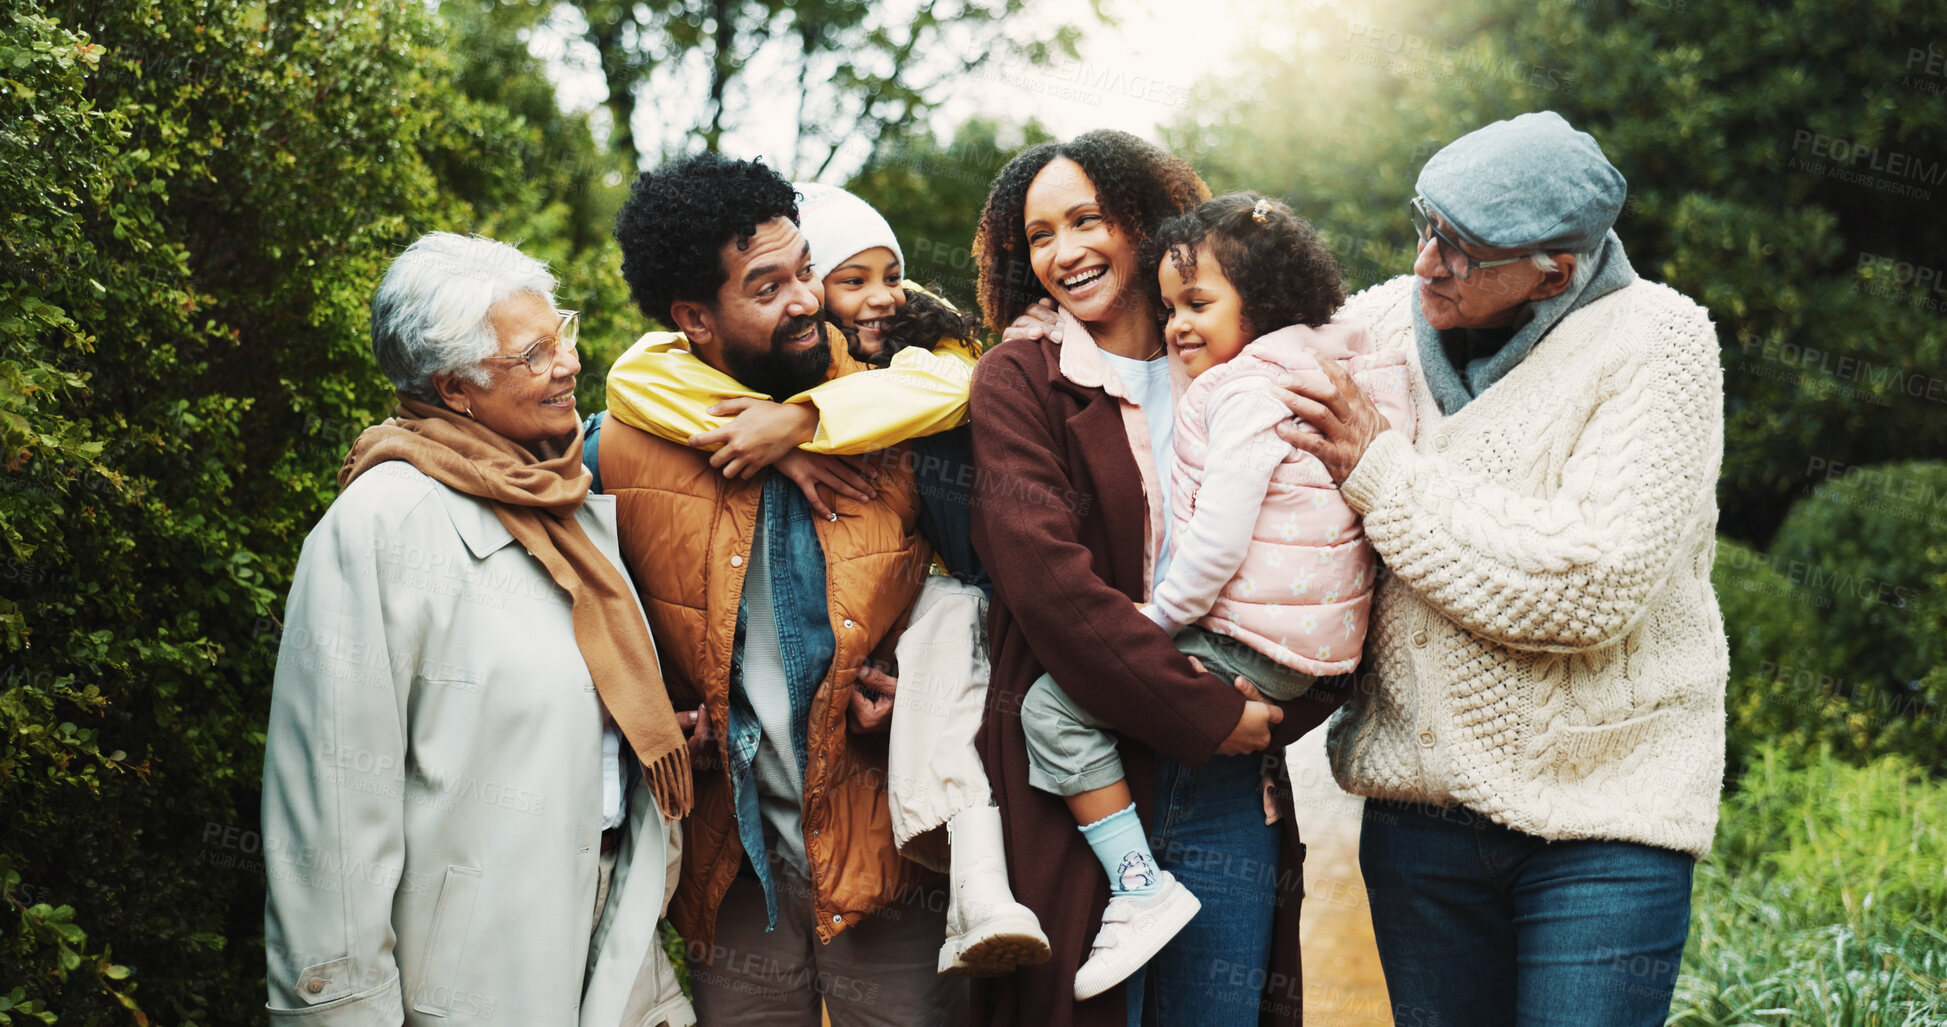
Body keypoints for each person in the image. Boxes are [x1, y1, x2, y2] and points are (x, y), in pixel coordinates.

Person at [1275, 111, 1728, 1025]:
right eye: (1425, 225)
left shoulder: (1659, 341)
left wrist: (1381, 474)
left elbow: (1583, 586)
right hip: (1420, 823)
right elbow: (1233, 366)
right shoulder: (1376, 327)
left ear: (1553, 270)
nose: (1424, 263)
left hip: (1606, 823)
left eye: (1461, 251)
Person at [598, 180, 1047, 978]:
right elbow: (590, 614)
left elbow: (989, 589)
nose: (808, 300)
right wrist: (652, 714)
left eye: (808, 270)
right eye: (768, 289)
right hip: (733, 867)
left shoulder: (902, 409)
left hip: (888, 855)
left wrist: (929, 698)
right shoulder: (624, 442)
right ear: (693, 318)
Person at [261, 232, 695, 1026]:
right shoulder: (382, 525)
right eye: (531, 354)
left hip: (610, 933)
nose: (566, 361)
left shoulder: (564, 499)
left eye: (559, 331)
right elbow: (329, 805)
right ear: (453, 386)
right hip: (471, 965)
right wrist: (344, 1008)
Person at [968, 130, 1345, 1027]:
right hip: (1079, 778)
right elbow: (1049, 589)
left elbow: (1329, 558)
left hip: (1224, 789)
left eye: (1086, 220)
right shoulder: (1019, 380)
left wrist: (1279, 713)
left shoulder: (1251, 366)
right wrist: (1204, 711)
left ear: (1144, 221)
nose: (1064, 252)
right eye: (1039, 235)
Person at [1018, 192, 1416, 1001]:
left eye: (1197, 304)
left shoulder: (1242, 390)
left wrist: (1155, 620)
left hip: (1239, 643)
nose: (1176, 327)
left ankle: (1136, 886)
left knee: (1049, 712)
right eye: (1167, 308)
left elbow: (1219, 536)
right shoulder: (1347, 370)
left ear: (1261, 304)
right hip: (1308, 653)